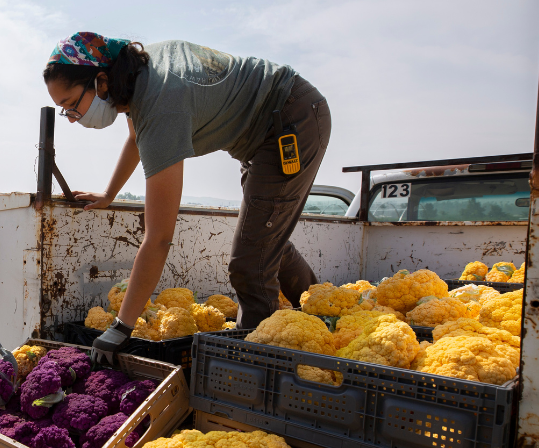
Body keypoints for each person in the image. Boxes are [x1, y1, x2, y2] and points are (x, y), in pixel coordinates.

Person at [43, 32, 330, 364]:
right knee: (265, 240)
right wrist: (110, 193)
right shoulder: (136, 75)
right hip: (268, 130)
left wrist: (121, 327)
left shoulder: (159, 100)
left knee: (250, 264)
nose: (73, 119)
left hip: (290, 120)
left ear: (101, 81)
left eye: (70, 106)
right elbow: (136, 139)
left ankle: (251, 375)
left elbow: (160, 238)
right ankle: (320, 315)